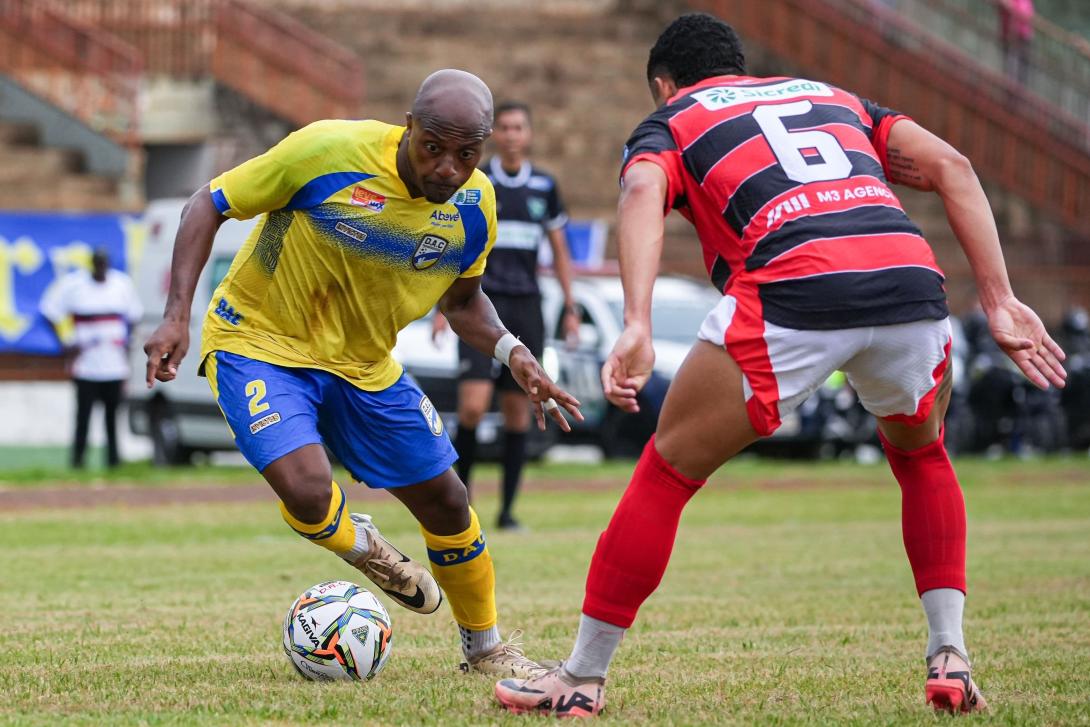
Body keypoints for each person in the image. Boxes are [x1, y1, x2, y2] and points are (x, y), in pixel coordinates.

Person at [494, 13, 1067, 717]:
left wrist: (638, 322)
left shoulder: (673, 117)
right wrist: (1000, 297)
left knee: (667, 470)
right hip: (909, 282)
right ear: (739, 67)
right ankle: (949, 654)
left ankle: (580, 677)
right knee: (922, 457)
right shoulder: (832, 94)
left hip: (793, 287)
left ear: (663, 85)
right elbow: (954, 165)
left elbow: (643, 192)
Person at [143, 69, 582, 677]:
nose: (449, 169)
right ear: (408, 128)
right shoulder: (325, 151)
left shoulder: (477, 204)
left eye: (466, 154)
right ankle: (364, 547)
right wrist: (175, 316)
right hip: (258, 342)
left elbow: (461, 302)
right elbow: (208, 204)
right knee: (306, 486)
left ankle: (485, 650)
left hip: (364, 364)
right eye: (434, 148)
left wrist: (514, 352)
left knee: (449, 503)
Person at [434, 100, 579, 531]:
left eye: (520, 127)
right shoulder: (477, 184)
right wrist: (443, 305)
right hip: (480, 300)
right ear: (496, 134)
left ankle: (508, 511)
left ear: (529, 134)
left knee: (520, 411)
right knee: (474, 408)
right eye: (506, 127)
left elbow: (559, 249)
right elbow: (453, 240)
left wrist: (570, 308)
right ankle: (460, 506)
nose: (513, 134)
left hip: (527, 304)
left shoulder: (544, 185)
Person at [40, 247, 142, 468]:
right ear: (92, 264)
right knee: (83, 416)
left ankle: (114, 461)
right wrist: (64, 345)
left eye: (104, 263)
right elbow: (49, 311)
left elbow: (134, 316)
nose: (101, 268)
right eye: (97, 263)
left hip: (114, 364)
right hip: (86, 364)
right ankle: (78, 460)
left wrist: (127, 345)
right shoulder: (74, 285)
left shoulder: (121, 284)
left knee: (112, 417)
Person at [998, 0, 1034, 84]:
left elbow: (1024, 13)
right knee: (1011, 71)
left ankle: (1015, 94)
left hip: (1020, 36)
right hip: (1010, 35)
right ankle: (1012, 93)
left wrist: (1009, 5)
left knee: (1017, 73)